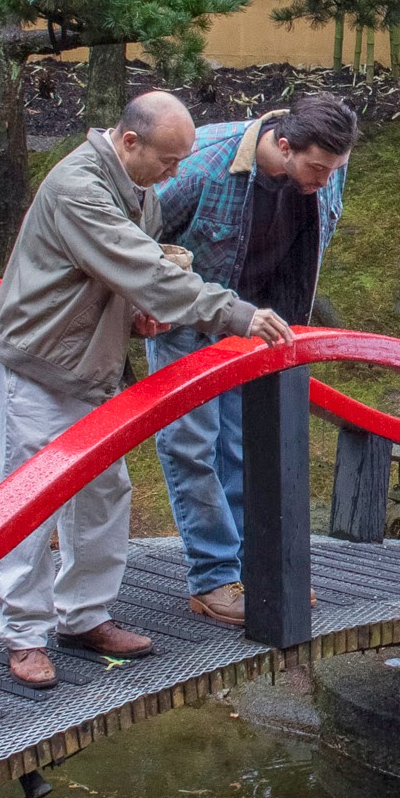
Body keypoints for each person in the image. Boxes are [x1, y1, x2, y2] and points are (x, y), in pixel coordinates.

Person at [0, 92, 295, 687]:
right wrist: (235, 314)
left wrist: (136, 313)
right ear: (130, 141)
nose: (176, 174)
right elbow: (142, 267)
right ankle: (23, 634)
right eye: (170, 161)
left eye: (182, 162)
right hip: (42, 365)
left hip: (93, 365)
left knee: (105, 491)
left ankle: (83, 615)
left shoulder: (139, 188)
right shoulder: (79, 189)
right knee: (30, 502)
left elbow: (128, 276)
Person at [147, 92, 359, 626]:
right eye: (315, 168)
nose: (323, 179)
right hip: (190, 322)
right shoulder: (202, 165)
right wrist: (147, 302)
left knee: (244, 447)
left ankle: (254, 567)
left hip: (260, 327)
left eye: (333, 169)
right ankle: (213, 579)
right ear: (283, 145)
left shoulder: (327, 163)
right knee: (193, 447)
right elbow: (134, 235)